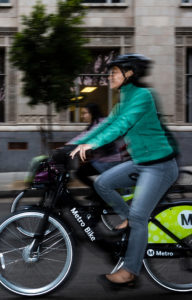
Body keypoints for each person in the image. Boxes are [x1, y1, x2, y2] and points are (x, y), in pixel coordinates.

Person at [69, 54, 179, 289]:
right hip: (141, 162)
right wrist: (75, 145)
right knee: (102, 184)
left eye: (115, 72)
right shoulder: (124, 98)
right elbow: (107, 123)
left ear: (130, 74)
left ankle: (129, 272)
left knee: (140, 217)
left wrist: (93, 145)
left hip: (159, 165)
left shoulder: (142, 96)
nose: (110, 76)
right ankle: (130, 218)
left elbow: (122, 125)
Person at [67, 102, 125, 198]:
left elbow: (86, 137)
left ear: (92, 113)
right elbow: (81, 137)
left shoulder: (101, 124)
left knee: (80, 172)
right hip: (101, 160)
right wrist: (67, 146)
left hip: (110, 161)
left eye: (85, 113)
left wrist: (69, 146)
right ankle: (98, 193)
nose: (82, 116)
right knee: (82, 171)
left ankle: (98, 194)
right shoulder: (93, 124)